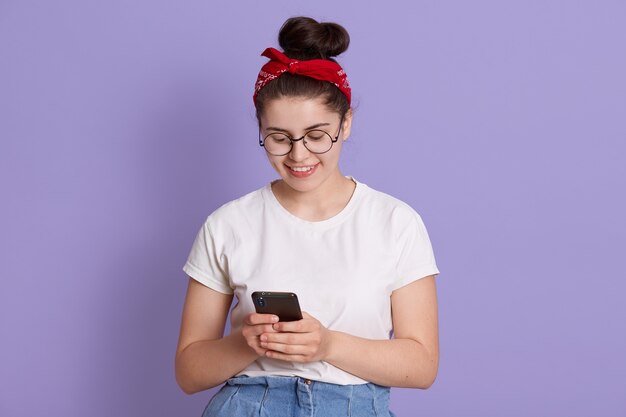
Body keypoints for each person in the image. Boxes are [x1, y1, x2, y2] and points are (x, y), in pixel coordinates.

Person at [175, 16, 440, 417]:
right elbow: (189, 372)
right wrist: (248, 342)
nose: (298, 156)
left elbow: (422, 366)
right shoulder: (227, 224)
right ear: (261, 130)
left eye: (317, 135)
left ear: (346, 123)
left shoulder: (395, 223)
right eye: (279, 139)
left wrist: (328, 345)